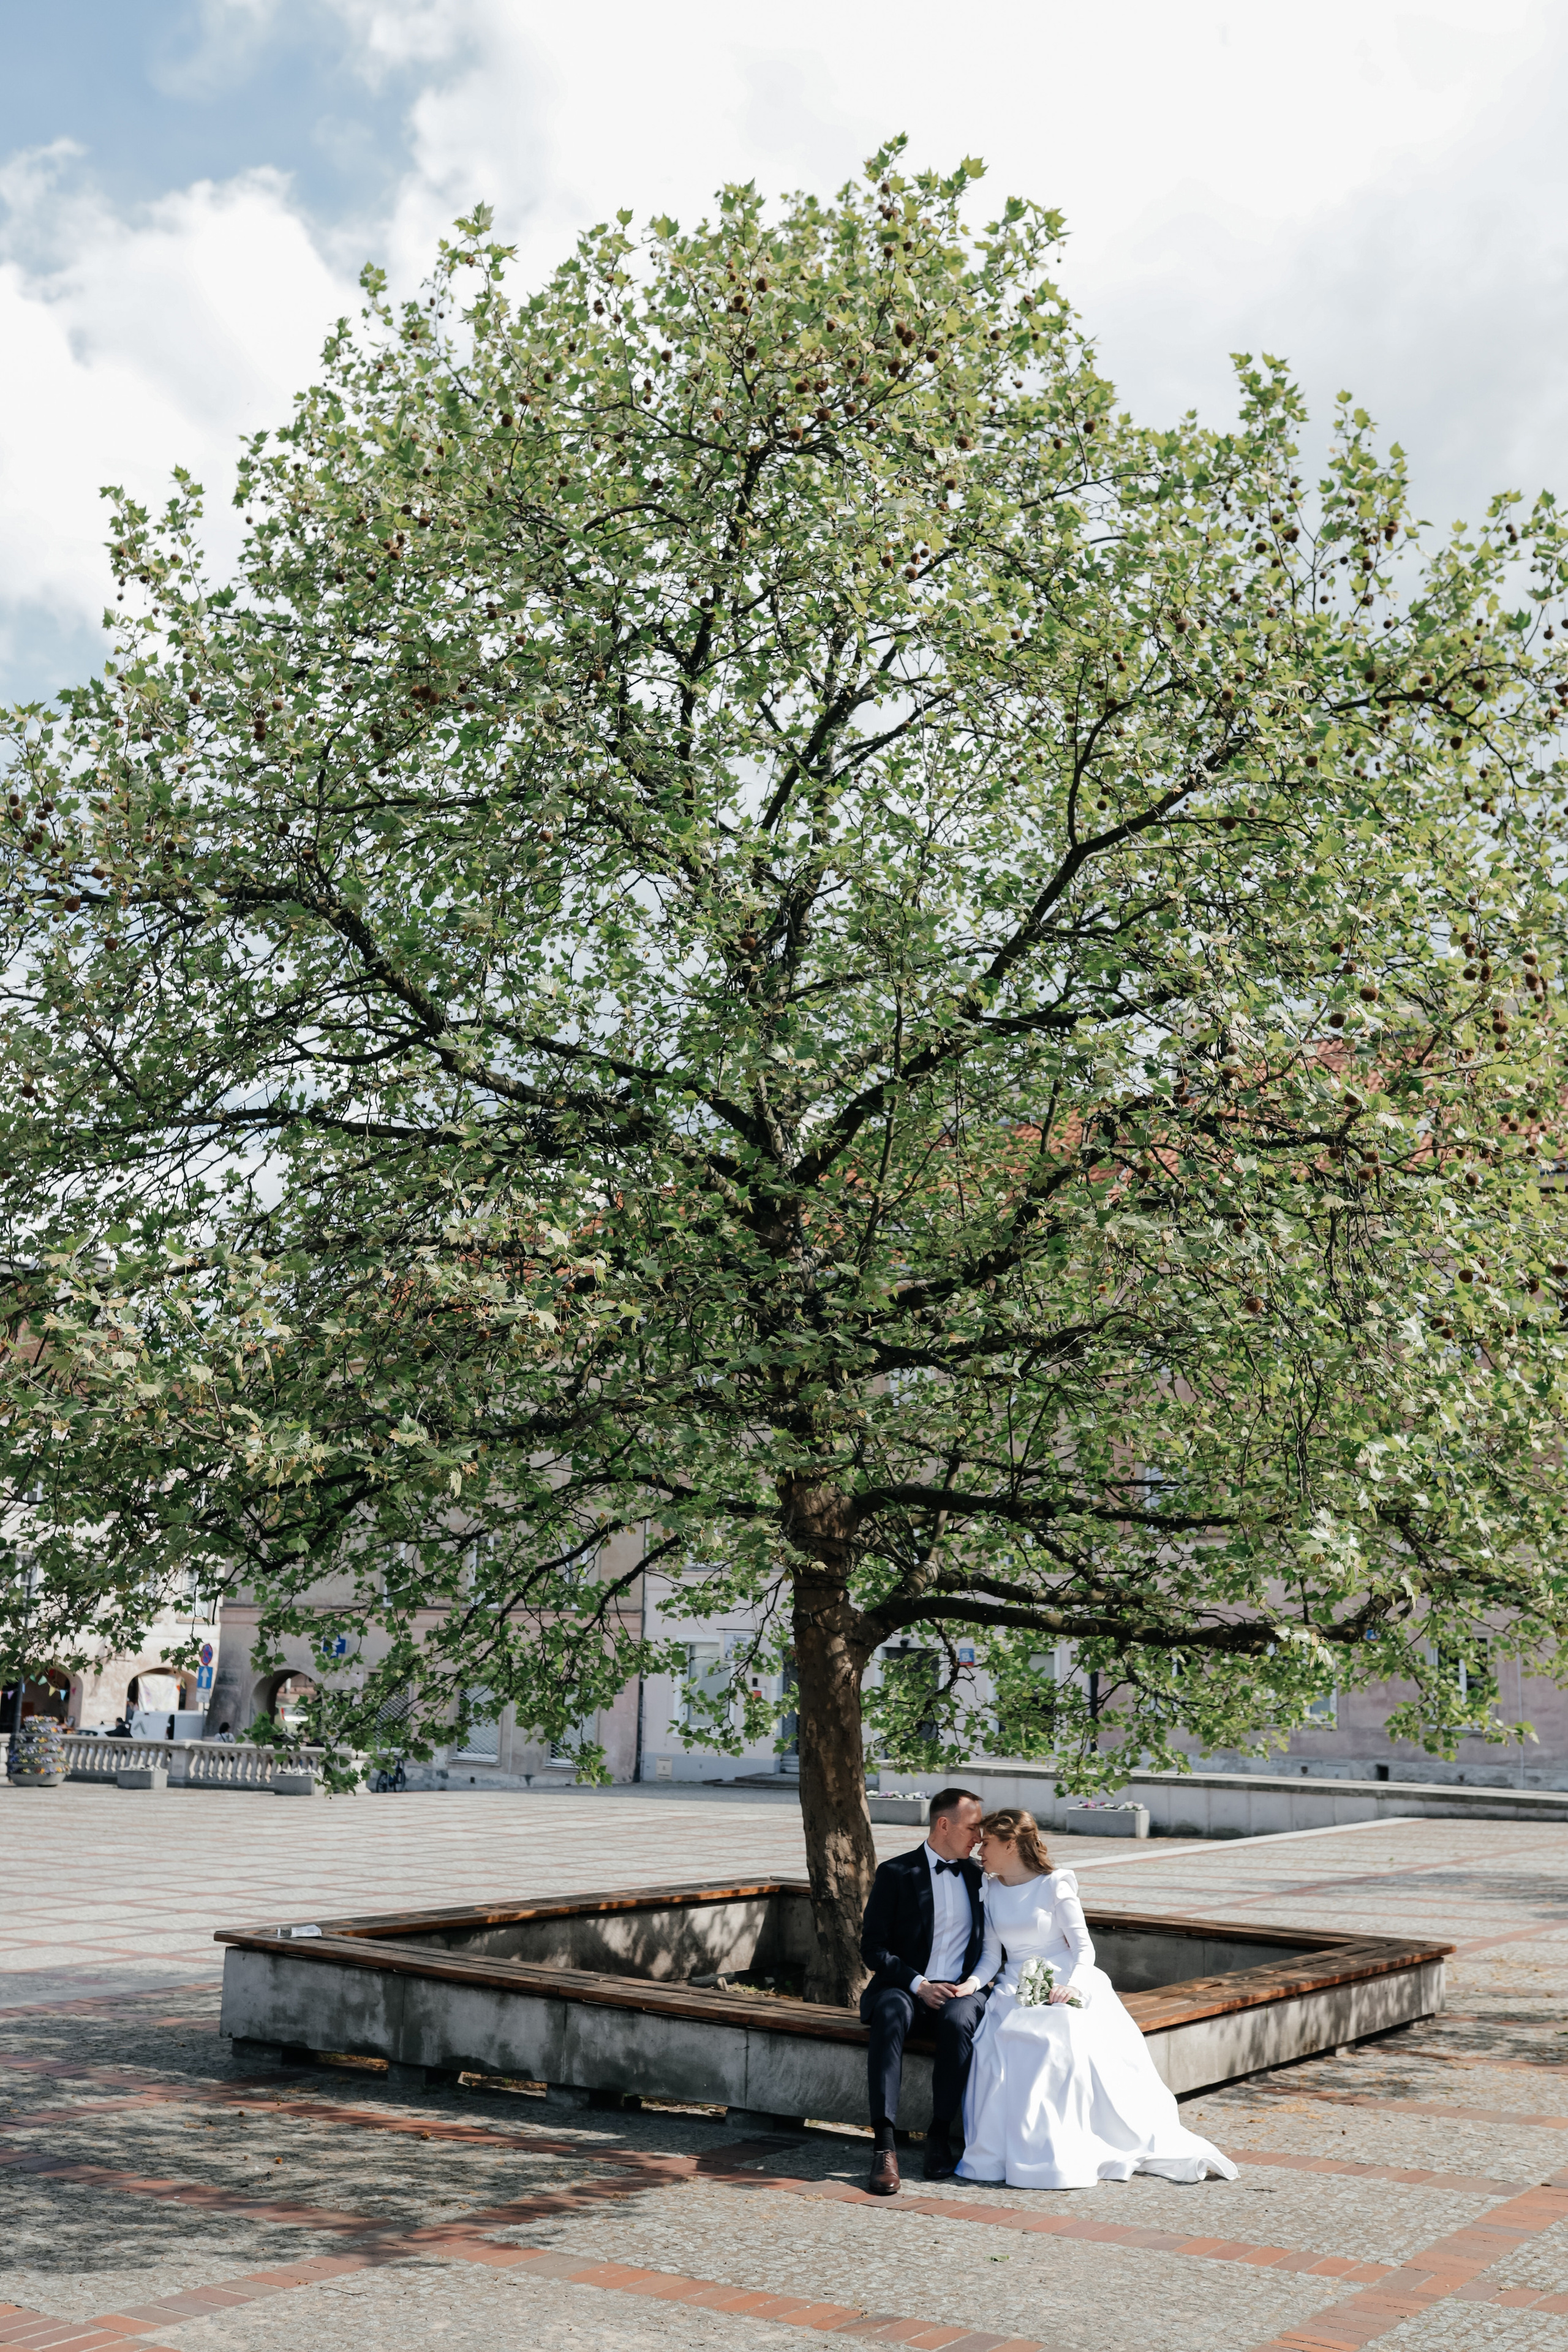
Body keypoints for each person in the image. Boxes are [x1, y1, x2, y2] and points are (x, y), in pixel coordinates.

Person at [953, 1807, 1238, 2190]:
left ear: (1011, 1845)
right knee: (993, 2047)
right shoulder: (991, 1890)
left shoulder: (1055, 1885)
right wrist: (971, 1985)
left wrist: (1073, 1986)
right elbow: (991, 1956)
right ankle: (1003, 2155)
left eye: (986, 1843)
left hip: (1066, 1977)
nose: (979, 1851)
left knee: (1057, 2040)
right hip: (1014, 1985)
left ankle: (1054, 2156)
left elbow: (1084, 1949)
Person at [858, 1786, 987, 2197]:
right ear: (943, 1824)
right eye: (972, 1827)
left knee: (959, 2019)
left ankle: (938, 2136)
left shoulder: (980, 1878)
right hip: (905, 1987)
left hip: (961, 1992)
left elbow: (993, 1946)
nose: (979, 1837)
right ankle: (884, 2146)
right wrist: (919, 1984)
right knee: (891, 2012)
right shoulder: (897, 1873)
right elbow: (872, 1949)